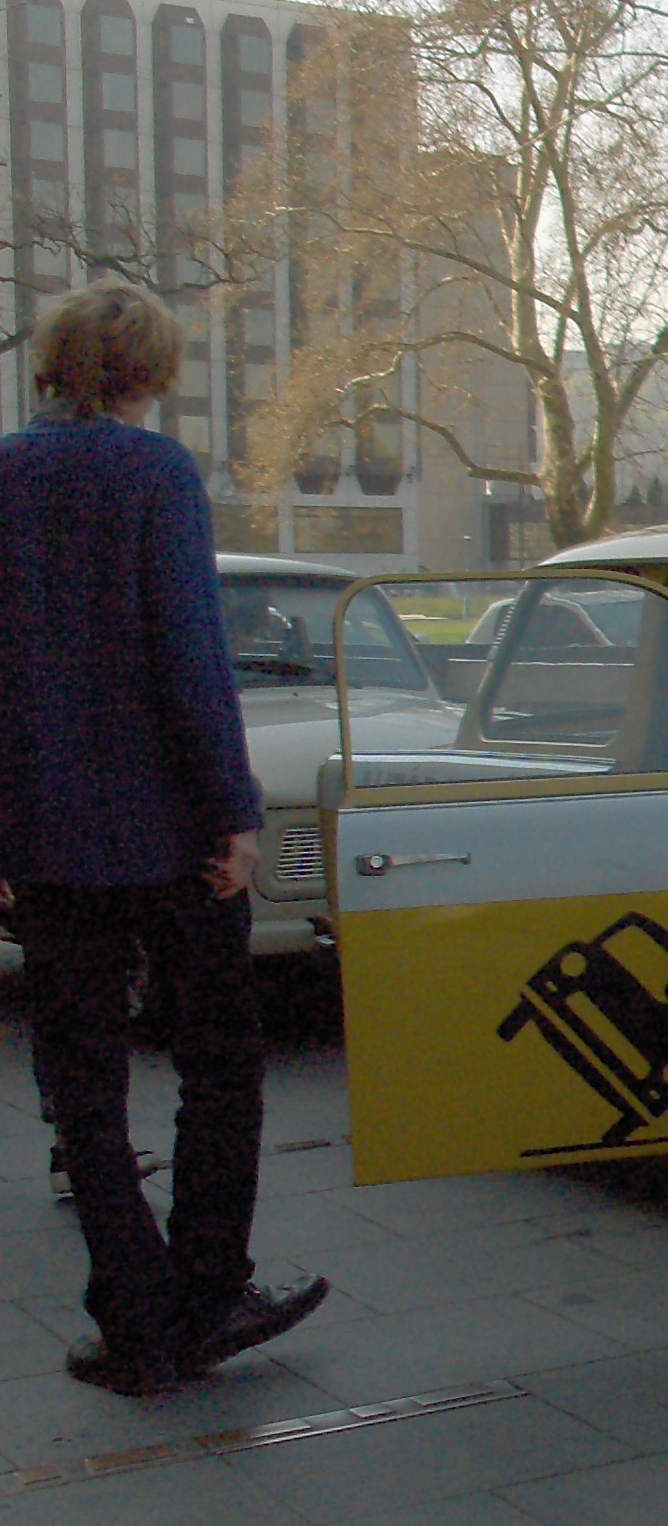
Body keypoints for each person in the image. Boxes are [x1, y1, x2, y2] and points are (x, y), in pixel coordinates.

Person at [0, 279, 328, 1396]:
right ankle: (206, 1289)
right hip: (172, 836)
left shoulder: (4, 474)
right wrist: (232, 813)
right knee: (219, 1068)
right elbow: (190, 654)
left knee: (84, 1094)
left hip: (46, 842)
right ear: (151, 372)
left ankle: (136, 1321)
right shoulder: (153, 475)